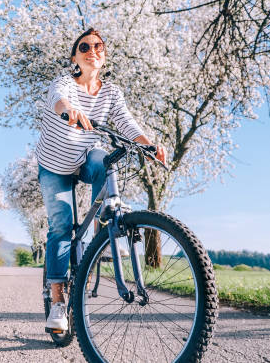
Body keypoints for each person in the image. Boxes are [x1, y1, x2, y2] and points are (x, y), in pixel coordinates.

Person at [36, 28, 166, 331]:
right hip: (54, 165)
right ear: (75, 57)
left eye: (99, 47)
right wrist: (69, 110)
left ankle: (104, 231)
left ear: (104, 56)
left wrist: (148, 145)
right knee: (61, 227)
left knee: (105, 160)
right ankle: (57, 301)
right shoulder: (64, 83)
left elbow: (125, 121)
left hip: (84, 158)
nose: (93, 50)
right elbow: (59, 99)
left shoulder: (111, 92)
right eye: (85, 47)